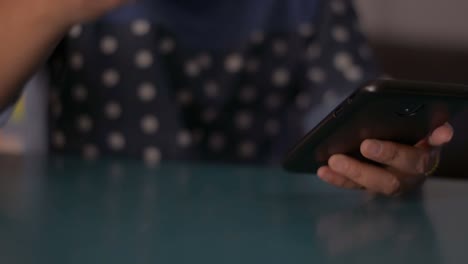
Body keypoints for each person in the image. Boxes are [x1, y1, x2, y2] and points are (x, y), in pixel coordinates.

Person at [0, 0, 453, 196]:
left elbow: (355, 117)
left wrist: (398, 161)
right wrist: (50, 9)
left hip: (259, 231)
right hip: (79, 232)